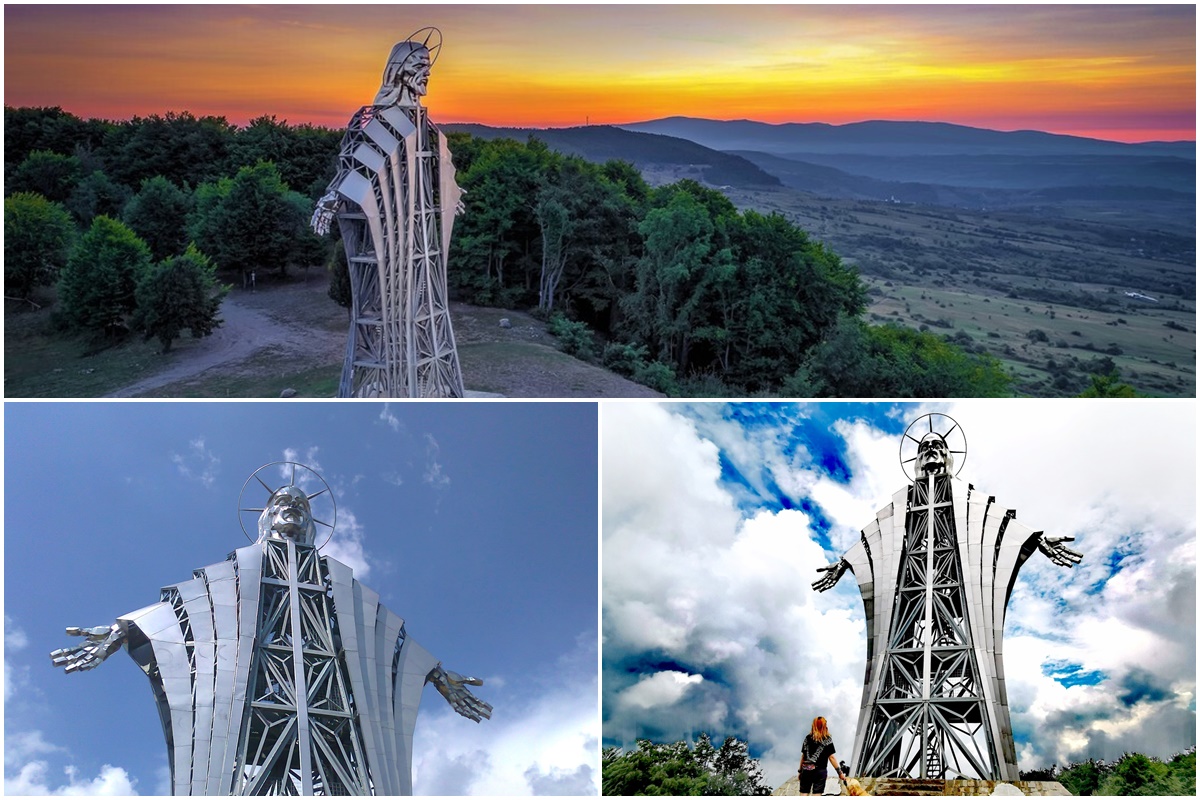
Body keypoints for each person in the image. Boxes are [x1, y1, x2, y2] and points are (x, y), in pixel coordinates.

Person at [797, 716, 845, 796]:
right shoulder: (827, 739)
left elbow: (803, 756)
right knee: (816, 795)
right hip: (820, 771)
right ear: (824, 726)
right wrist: (839, 772)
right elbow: (831, 757)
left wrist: (800, 771)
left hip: (806, 770)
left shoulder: (807, 738)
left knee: (803, 794)